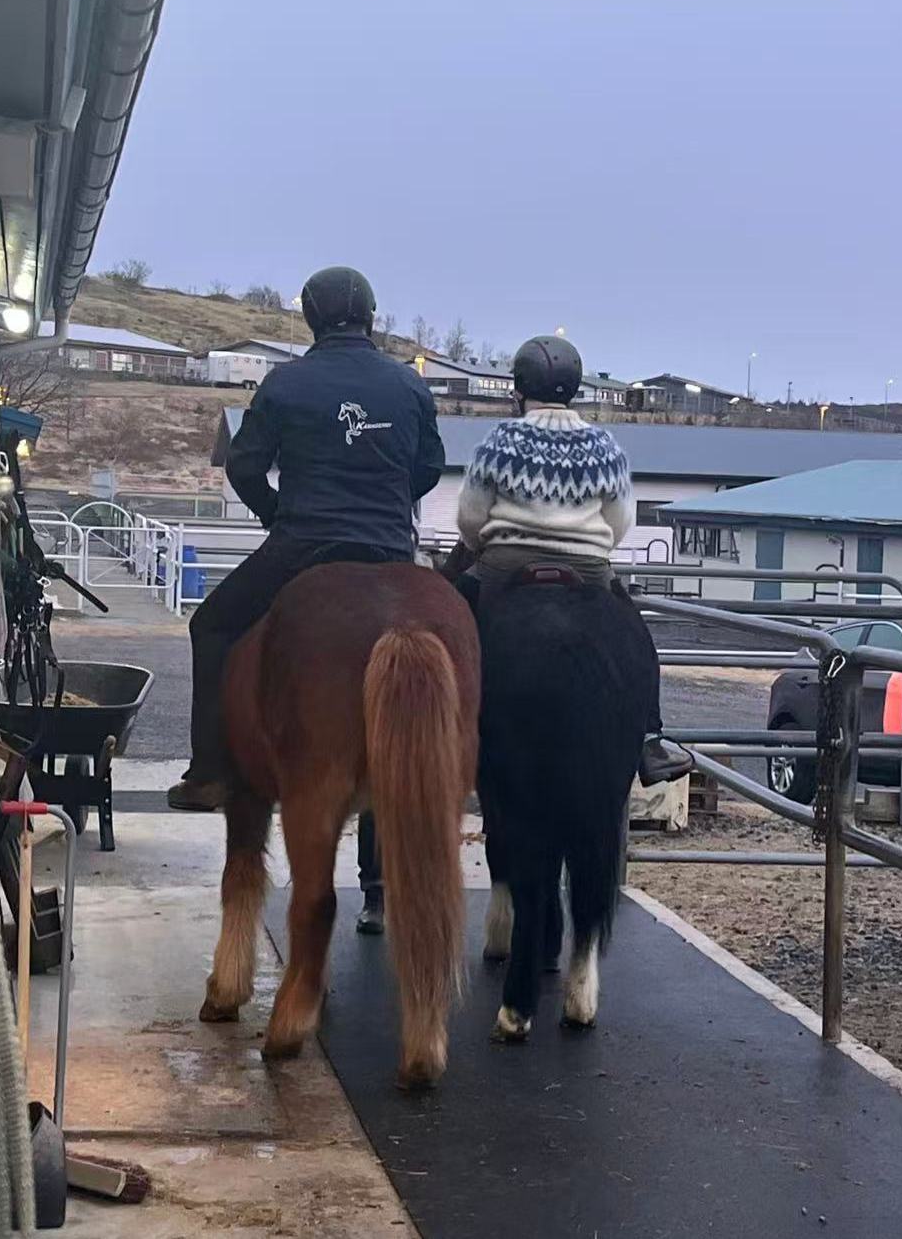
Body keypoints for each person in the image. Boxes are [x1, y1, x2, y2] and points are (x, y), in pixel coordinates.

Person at [168, 265, 445, 906]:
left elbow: (243, 464)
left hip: (302, 546)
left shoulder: (286, 383)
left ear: (311, 319)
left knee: (209, 624)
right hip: (387, 549)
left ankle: (210, 771)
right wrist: (387, 502)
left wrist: (275, 513)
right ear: (372, 317)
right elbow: (429, 466)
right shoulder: (408, 384)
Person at [454, 334, 693, 787]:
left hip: (504, 566)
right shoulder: (603, 446)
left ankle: (439, 726)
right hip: (586, 569)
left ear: (519, 389)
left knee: (443, 617)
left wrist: (483, 545)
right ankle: (650, 739)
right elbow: (620, 522)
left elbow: (470, 518)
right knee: (636, 636)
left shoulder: (499, 441)